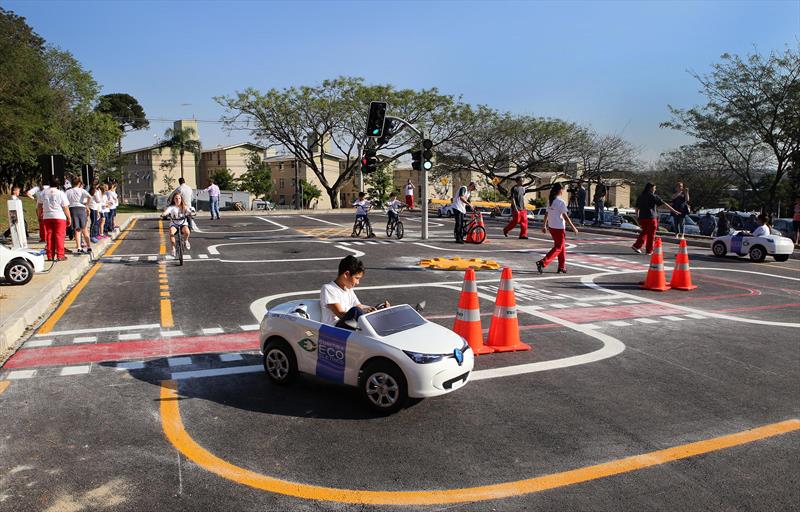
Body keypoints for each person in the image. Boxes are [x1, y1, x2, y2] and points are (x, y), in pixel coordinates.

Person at [320, 255, 386, 329]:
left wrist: (374, 310)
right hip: (334, 329)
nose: (357, 282)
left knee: (364, 314)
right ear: (346, 274)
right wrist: (361, 315)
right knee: (356, 311)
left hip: (349, 325)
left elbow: (359, 306)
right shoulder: (328, 288)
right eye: (356, 278)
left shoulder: (349, 290)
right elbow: (340, 313)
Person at [536, 183, 578, 274]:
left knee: (562, 247)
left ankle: (561, 267)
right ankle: (543, 262)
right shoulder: (561, 202)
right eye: (562, 189)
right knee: (558, 247)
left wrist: (544, 225)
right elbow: (565, 216)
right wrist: (573, 227)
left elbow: (546, 214)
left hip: (552, 227)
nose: (563, 191)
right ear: (560, 190)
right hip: (559, 228)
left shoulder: (551, 201)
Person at [632, 183, 680, 255]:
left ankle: (637, 246)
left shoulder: (641, 196)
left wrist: (638, 217)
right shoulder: (653, 196)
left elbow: (637, 208)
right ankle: (649, 250)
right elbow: (664, 203)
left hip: (642, 217)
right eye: (654, 188)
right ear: (651, 188)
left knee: (644, 232)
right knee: (651, 234)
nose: (655, 189)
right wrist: (673, 210)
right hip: (651, 218)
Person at [37, 177, 72, 261]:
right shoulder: (60, 193)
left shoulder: (43, 193)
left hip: (47, 216)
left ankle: (50, 255)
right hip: (59, 216)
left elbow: (39, 205)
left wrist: (39, 216)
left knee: (49, 236)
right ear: (58, 184)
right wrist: (69, 217)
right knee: (59, 236)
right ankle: (60, 255)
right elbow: (65, 207)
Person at [65, 178, 93, 254]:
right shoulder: (81, 190)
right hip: (81, 208)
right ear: (79, 183)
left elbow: (64, 201)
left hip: (72, 209)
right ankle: (89, 246)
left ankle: (79, 247)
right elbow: (90, 196)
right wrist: (86, 204)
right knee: (84, 228)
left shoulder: (67, 191)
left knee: (77, 229)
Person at [163, 193, 191, 257]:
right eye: (176, 198)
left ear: (181, 199)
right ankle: (173, 248)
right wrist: (164, 214)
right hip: (174, 224)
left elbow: (189, 211)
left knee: (187, 232)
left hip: (183, 224)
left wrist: (191, 213)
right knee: (171, 232)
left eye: (179, 198)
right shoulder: (171, 207)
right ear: (173, 199)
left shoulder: (184, 207)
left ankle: (186, 241)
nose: (178, 200)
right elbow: (167, 211)